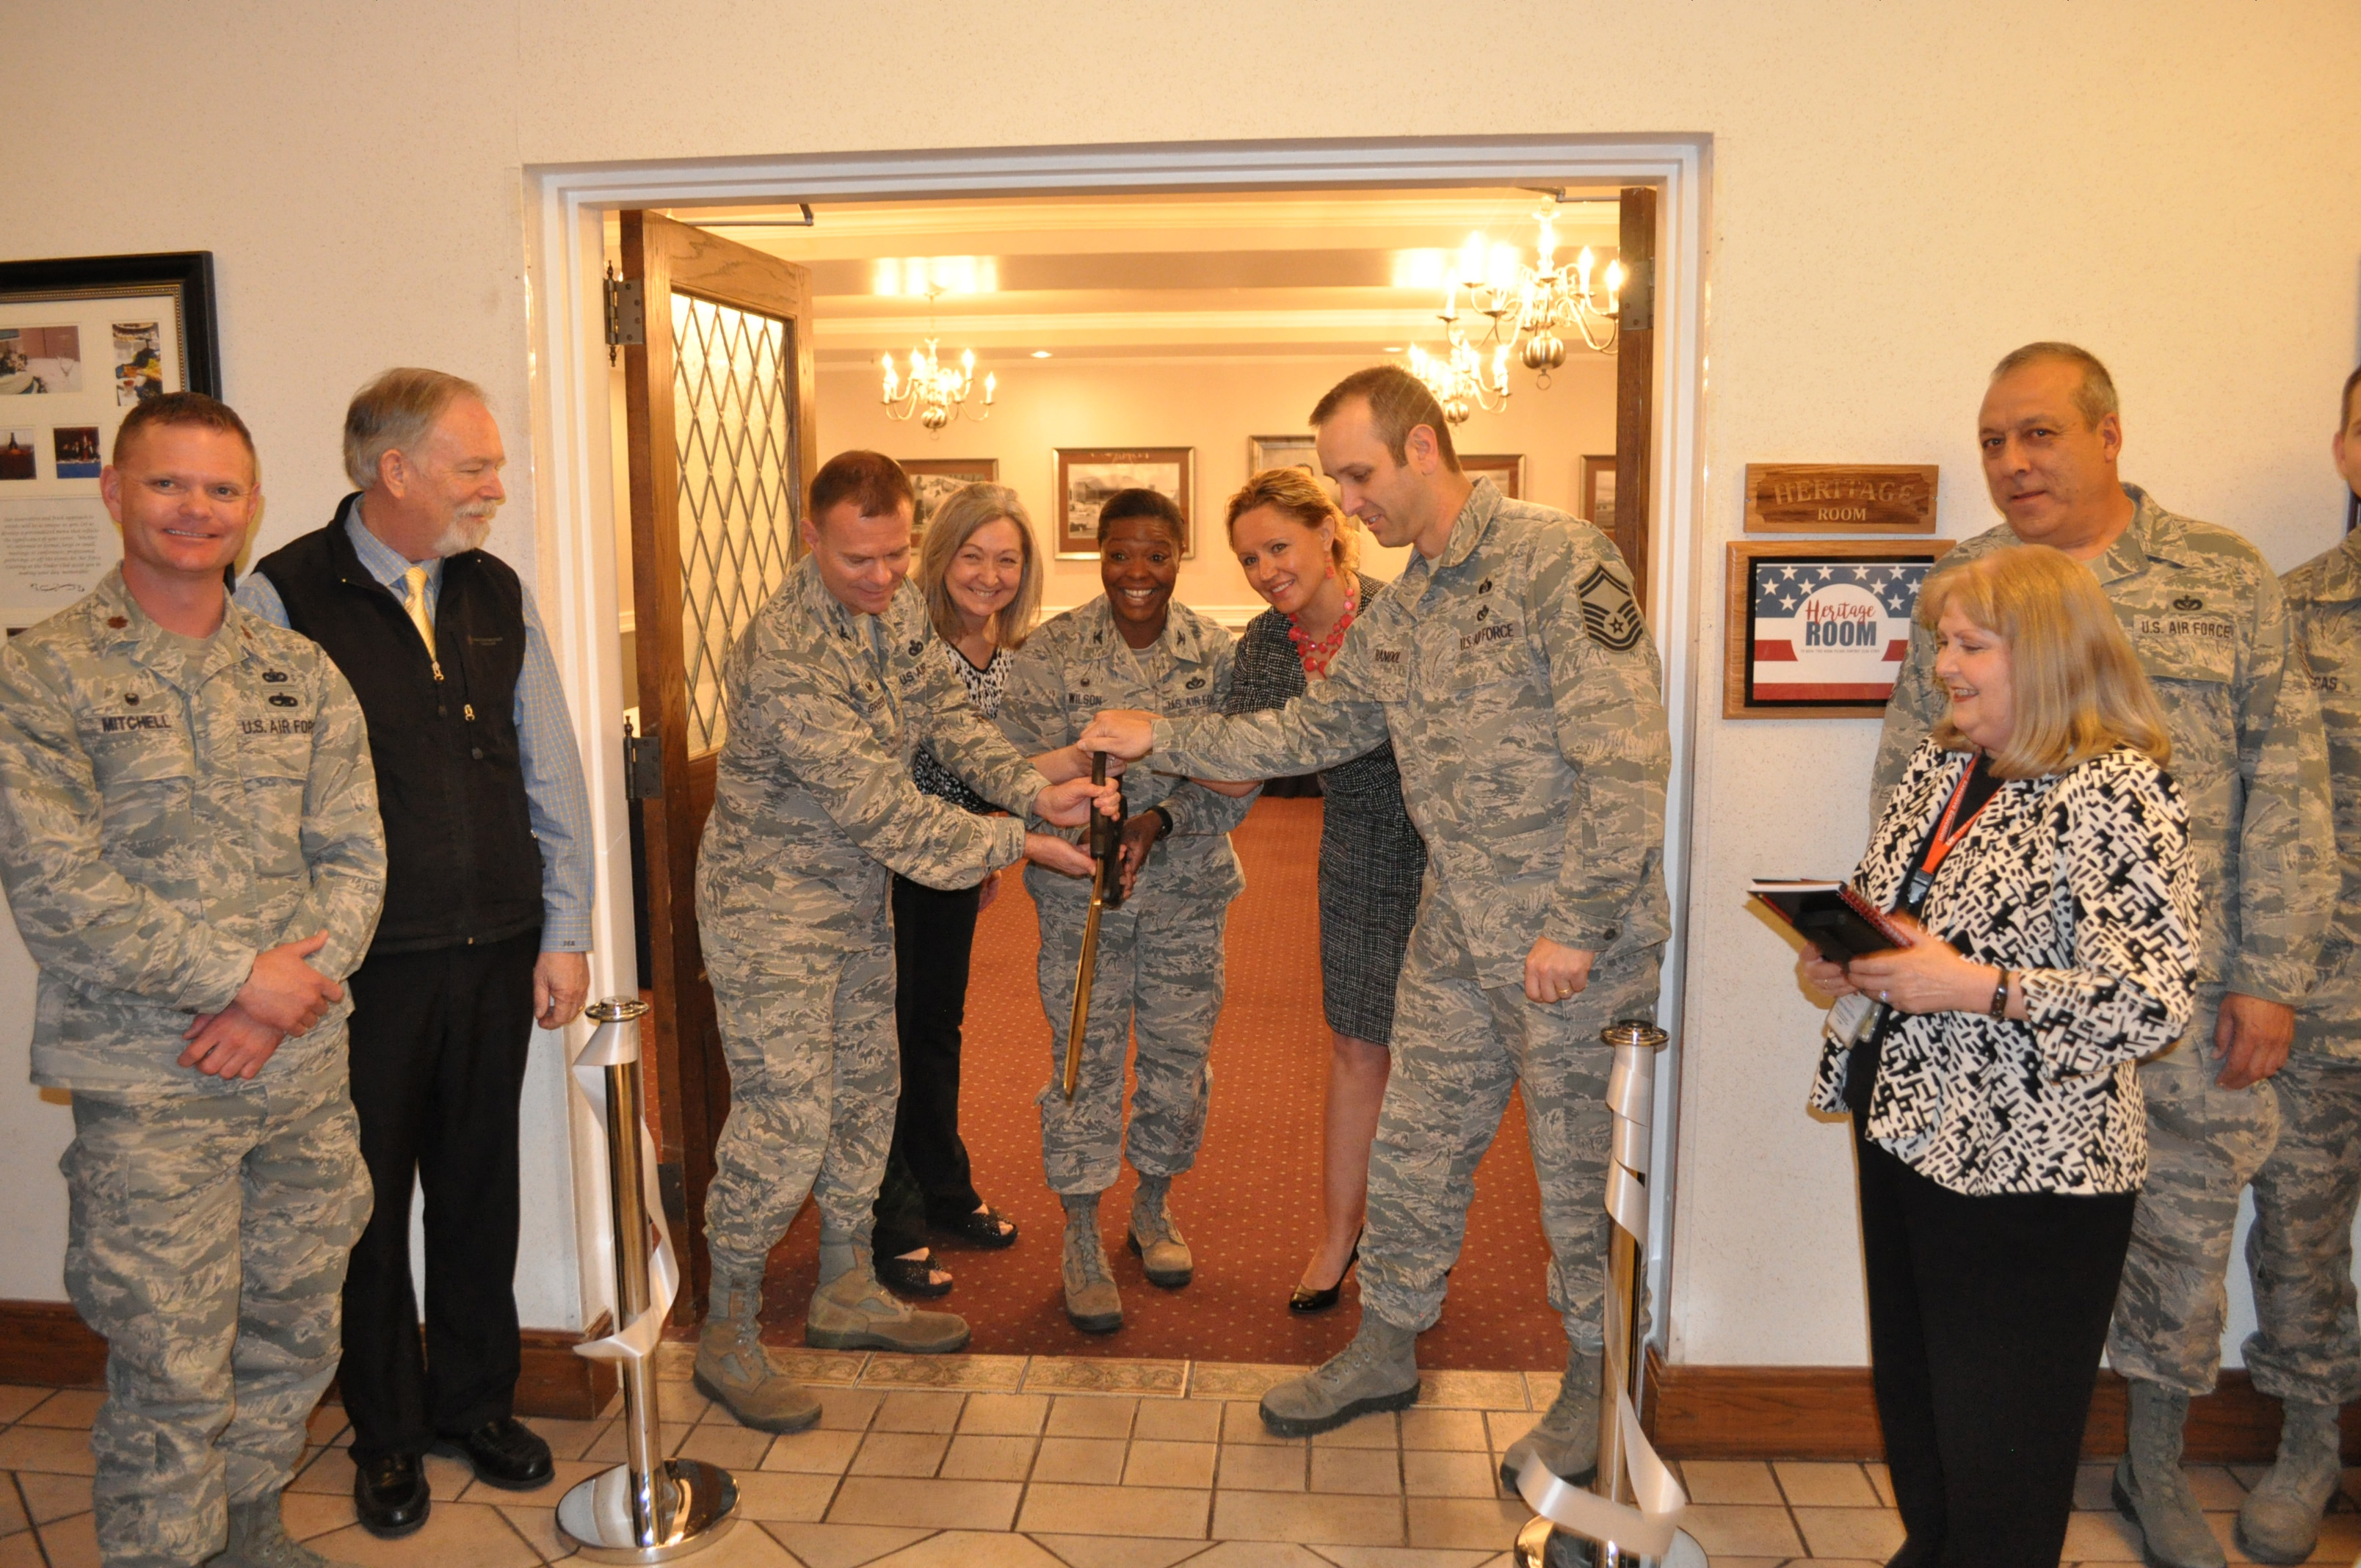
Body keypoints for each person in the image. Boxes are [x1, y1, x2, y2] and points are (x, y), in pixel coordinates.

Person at [1081, 365, 1670, 1481]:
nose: (1348, 502)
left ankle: (1596, 1384)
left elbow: (1629, 757)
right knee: (1414, 1148)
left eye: (1358, 474)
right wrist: (1158, 731)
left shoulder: (1560, 560)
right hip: (1454, 926)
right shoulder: (1411, 608)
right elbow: (1305, 733)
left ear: (1423, 450)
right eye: (1339, 479)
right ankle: (1388, 1341)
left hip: (1567, 945)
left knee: (1577, 1170)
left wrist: (1581, 924)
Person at [1872, 343, 2335, 1568]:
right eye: (1992, 441)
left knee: (2182, 1243)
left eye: (2037, 434)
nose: (2012, 462)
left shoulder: (2221, 575)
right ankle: (2004, 1498)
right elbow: (1911, 795)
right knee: (1999, 1323)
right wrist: (1869, 938)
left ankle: (2158, 1463)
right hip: (1978, 1041)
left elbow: (2284, 781)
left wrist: (2271, 976)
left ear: (2108, 433)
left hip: (2183, 983)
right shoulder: (1967, 583)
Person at [0, 393, 385, 1568]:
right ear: (115, 492)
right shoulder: (45, 673)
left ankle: (249, 1531)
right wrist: (235, 982)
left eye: (222, 489)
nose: (197, 509)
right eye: (169, 484)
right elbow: (58, 888)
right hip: (152, 1083)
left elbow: (359, 858)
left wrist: (281, 1006)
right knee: (169, 1363)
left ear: (251, 506)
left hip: (301, 1074)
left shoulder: (300, 671)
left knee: (291, 1332)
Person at [236, 369, 593, 1537]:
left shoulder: (494, 591)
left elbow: (553, 774)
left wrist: (569, 929)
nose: (494, 487)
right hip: (361, 973)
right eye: (472, 465)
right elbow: (258, 804)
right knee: (368, 1207)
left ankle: (474, 1406)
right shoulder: (286, 596)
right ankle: (386, 1435)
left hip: (499, 948)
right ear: (395, 470)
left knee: (482, 1192)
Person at [692, 450, 1112, 1431]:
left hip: (851, 904)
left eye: (892, 556)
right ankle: (728, 1332)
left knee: (866, 1098)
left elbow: (946, 727)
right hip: (770, 914)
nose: (882, 580)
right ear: (810, 539)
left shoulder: (898, 613)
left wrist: (1028, 786)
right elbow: (886, 810)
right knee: (783, 1123)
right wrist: (1028, 839)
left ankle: (846, 1290)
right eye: (857, 562)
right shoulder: (785, 653)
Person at [1805, 545, 2200, 1567]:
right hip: (1907, 1129)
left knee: (2004, 1449)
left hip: (2038, 1169)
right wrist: (1847, 963)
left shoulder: (2117, 789)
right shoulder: (1944, 768)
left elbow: (2156, 1002)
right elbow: (1896, 919)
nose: (1945, 664)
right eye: (1945, 640)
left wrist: (1979, 987)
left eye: (1971, 644)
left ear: (2050, 656)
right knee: (1924, 1406)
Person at [997, 487, 1252, 1334]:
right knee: (1082, 1061)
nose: (1136, 573)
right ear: (1096, 554)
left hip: (1186, 897)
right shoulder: (1051, 652)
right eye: (1118, 554)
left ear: (1180, 555)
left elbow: (1240, 778)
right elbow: (1013, 774)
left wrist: (1158, 820)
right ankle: (1079, 1231)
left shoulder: (1216, 655)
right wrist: (1071, 804)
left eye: (1156, 554)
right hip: (1079, 900)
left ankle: (1151, 1206)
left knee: (1179, 1062)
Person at [1217, 466, 1426, 1312]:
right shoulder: (1266, 647)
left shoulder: (1402, 616)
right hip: (1358, 850)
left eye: (1279, 546)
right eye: (1249, 559)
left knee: (1451, 1056)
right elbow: (1238, 777)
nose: (1267, 571)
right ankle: (1341, 1235)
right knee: (1357, 1049)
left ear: (1330, 531)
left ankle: (1417, 1234)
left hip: (1449, 846)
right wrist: (1141, 765)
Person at [2239, 363, 2361, 1563]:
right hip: (2327, 994)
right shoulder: (2294, 611)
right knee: (2300, 1230)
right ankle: (2309, 1440)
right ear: (2344, 453)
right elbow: (2253, 807)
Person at [868, 482, 1042, 1297]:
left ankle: (944, 1187)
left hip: (961, 865)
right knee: (894, 1040)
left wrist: (986, 859)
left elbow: (1000, 769)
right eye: (972, 555)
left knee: (936, 1029)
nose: (989, 574)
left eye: (1006, 558)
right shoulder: (911, 650)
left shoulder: (1016, 659)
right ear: (940, 560)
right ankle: (890, 1220)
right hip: (891, 866)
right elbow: (917, 769)